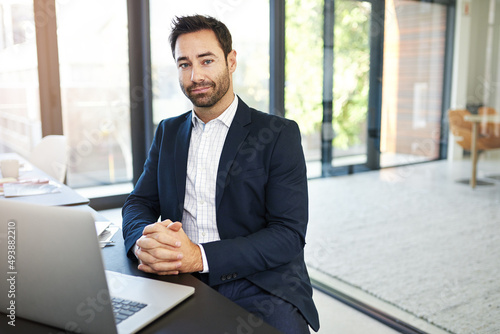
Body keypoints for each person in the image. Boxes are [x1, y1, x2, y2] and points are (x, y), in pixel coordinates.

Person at [122, 14, 319, 333]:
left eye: (206, 60)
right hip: (179, 277)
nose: (195, 75)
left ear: (231, 61)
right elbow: (138, 203)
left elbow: (288, 235)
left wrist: (199, 257)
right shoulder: (169, 132)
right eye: (184, 64)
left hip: (258, 282)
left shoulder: (277, 134)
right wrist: (142, 243)